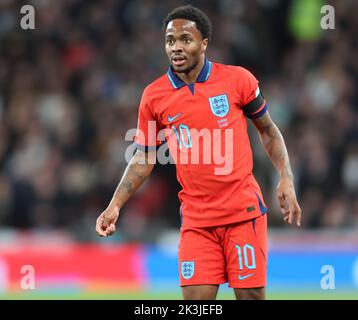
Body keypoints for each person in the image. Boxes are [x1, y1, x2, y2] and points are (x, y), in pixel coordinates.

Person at [95, 5, 301, 300]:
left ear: (204, 43)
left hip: (242, 214)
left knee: (251, 297)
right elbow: (143, 157)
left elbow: (268, 130)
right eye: (170, 41)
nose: (176, 48)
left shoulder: (237, 80)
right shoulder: (154, 96)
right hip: (197, 220)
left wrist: (286, 177)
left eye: (185, 39)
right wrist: (115, 205)